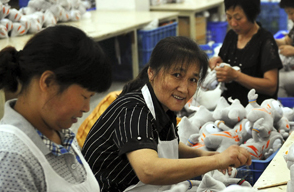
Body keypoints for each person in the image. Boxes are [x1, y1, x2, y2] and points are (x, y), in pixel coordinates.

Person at [82, 36, 253, 192]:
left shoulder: (163, 107)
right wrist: (215, 161)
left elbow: (163, 144)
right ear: (152, 73)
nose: (184, 89)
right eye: (177, 75)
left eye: (193, 80)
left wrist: (202, 155)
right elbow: (148, 170)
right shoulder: (133, 110)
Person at [0, 25, 113, 191]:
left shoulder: (59, 132)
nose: (86, 108)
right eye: (84, 96)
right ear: (48, 82)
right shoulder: (10, 158)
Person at [209, 0, 283, 106]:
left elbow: (271, 86)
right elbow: (225, 63)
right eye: (229, 17)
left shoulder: (265, 41)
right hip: (229, 108)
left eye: (238, 18)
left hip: (257, 112)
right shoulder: (231, 36)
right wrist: (218, 64)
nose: (233, 23)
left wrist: (236, 76)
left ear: (252, 15)